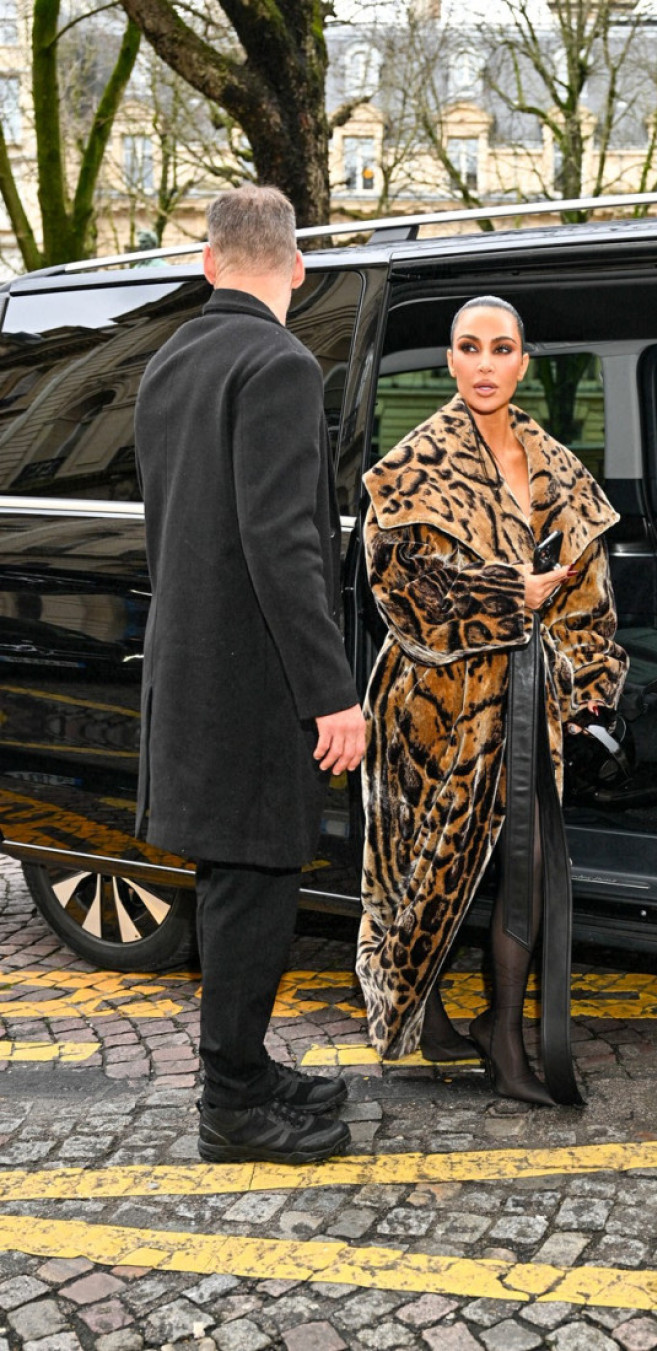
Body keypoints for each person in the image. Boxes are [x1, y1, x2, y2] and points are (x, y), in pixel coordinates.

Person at [134, 184, 366, 1163]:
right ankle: (232, 1104)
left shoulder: (169, 360)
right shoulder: (277, 362)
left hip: (190, 667)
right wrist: (332, 692)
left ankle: (247, 1065)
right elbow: (284, 544)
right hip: (255, 679)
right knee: (255, 884)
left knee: (234, 881)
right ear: (298, 268)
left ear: (209, 262)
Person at [357, 295, 628, 1106]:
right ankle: (426, 1010)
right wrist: (510, 594)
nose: (484, 364)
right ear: (449, 360)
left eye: (501, 348)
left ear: (523, 361)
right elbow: (400, 591)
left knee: (527, 861)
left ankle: (503, 1032)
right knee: (426, 872)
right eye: (469, 347)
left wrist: (589, 680)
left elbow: (588, 591)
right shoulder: (412, 465)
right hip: (431, 702)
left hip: (525, 699)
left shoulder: (557, 467)